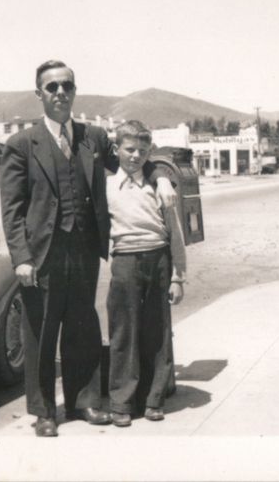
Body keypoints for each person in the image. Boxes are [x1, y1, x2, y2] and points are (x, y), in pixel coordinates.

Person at [0, 60, 177, 437]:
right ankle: (45, 412)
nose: (60, 92)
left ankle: (83, 402)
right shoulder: (22, 144)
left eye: (67, 85)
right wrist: (21, 258)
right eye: (52, 87)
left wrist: (161, 175)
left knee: (82, 326)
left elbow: (135, 157)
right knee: (41, 333)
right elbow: (11, 209)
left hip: (84, 250)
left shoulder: (92, 137)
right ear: (39, 94)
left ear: (75, 91)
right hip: (42, 255)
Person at [106, 120, 186, 427]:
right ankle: (122, 402)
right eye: (129, 149)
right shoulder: (106, 187)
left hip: (158, 258)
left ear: (149, 152)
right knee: (123, 332)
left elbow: (175, 232)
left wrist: (178, 276)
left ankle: (154, 400)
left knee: (157, 331)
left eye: (142, 150)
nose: (135, 156)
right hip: (124, 261)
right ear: (117, 150)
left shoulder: (159, 186)